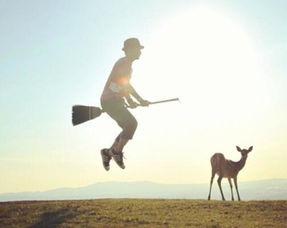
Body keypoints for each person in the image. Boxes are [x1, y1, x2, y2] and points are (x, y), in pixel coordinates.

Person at [100, 38, 149, 171]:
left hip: (112, 101)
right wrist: (136, 100)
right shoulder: (124, 63)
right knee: (132, 124)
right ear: (131, 50)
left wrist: (133, 100)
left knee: (127, 128)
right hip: (111, 100)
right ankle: (116, 152)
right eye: (138, 49)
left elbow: (123, 85)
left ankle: (108, 152)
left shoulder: (126, 64)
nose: (140, 51)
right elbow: (123, 84)